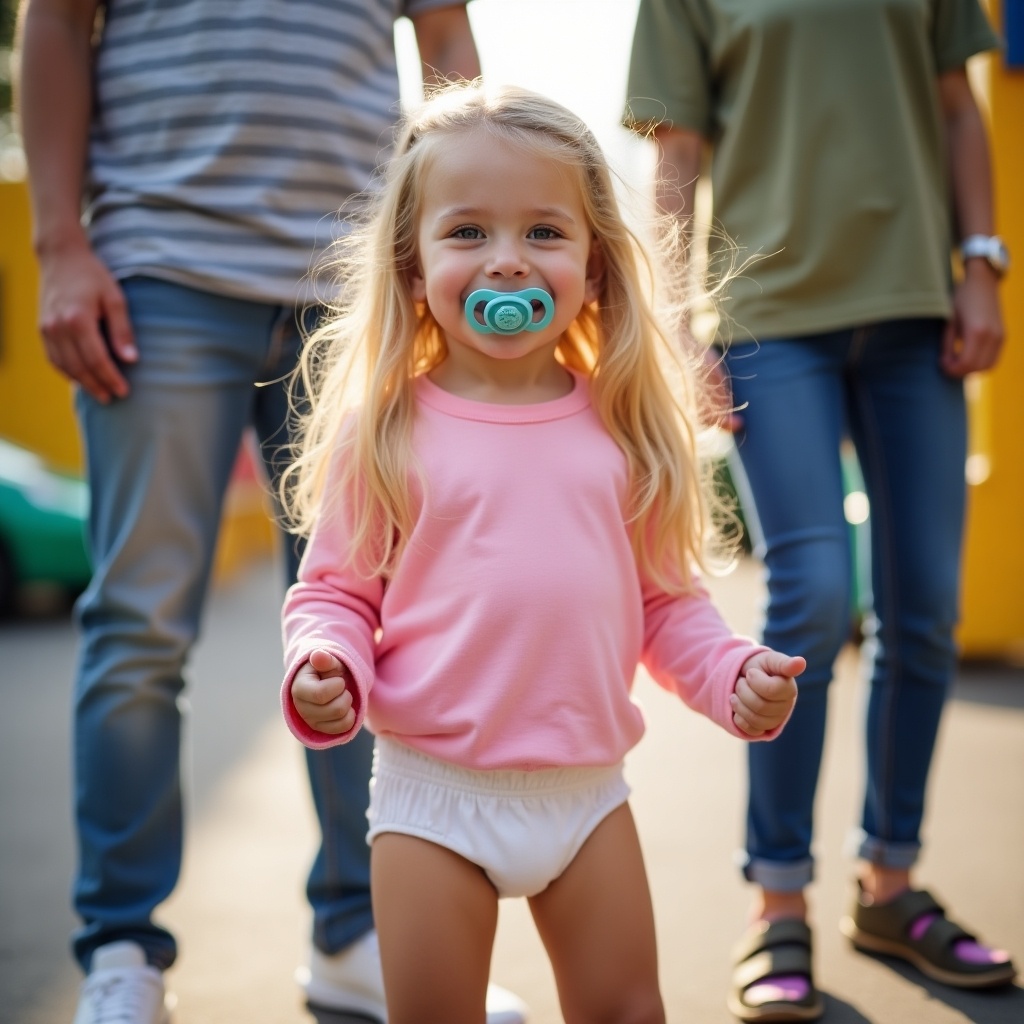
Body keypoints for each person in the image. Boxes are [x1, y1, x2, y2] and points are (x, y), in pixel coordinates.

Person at [16, 2, 528, 1023]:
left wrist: (463, 237)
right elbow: (57, 23)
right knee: (141, 620)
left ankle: (358, 926)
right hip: (156, 271)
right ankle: (121, 948)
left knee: (378, 621)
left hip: (356, 289)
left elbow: (446, 42)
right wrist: (58, 241)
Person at [277, 82, 805, 1024]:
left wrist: (731, 673)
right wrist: (327, 666)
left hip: (586, 796)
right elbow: (336, 595)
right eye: (469, 232)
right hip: (432, 798)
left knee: (629, 1012)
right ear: (412, 265)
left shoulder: (622, 427)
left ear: (596, 266)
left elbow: (666, 604)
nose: (508, 262)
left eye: (545, 234)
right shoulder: (387, 428)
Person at [623, 1, 1018, 1020]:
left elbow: (955, 107)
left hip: (912, 310)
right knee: (807, 593)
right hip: (769, 324)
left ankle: (889, 884)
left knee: (924, 602)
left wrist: (983, 262)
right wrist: (671, 321)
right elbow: (677, 156)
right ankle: (778, 900)